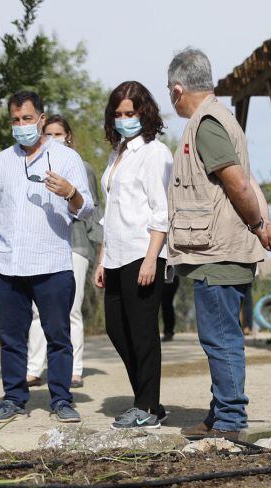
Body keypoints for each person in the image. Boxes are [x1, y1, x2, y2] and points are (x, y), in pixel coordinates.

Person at [165, 48, 271, 442]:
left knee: (221, 339)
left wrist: (258, 224)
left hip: (218, 252)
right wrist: (262, 225)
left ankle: (230, 422)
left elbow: (237, 182)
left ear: (178, 89)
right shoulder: (217, 118)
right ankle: (220, 411)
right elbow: (244, 181)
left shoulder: (206, 123)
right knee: (218, 337)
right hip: (214, 249)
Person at [0, 90, 94, 424]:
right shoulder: (1, 161)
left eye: (27, 119)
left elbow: (87, 208)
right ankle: (13, 398)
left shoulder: (65, 158)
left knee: (58, 336)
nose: (21, 125)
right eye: (15, 120)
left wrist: (70, 192)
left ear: (41, 120)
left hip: (53, 263)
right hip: (9, 263)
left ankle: (61, 399)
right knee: (12, 338)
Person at [93, 81, 172, 429]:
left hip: (143, 252)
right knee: (116, 328)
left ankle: (147, 407)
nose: (124, 119)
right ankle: (148, 399)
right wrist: (101, 259)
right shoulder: (117, 154)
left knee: (142, 331)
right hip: (115, 254)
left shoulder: (156, 153)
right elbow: (110, 213)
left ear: (144, 113)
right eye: (119, 113)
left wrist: (152, 258)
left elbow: (161, 210)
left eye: (131, 113)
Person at [26, 115, 101, 390]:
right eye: (49, 133)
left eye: (59, 134)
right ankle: (34, 368)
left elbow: (92, 210)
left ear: (68, 136)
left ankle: (74, 369)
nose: (54, 138)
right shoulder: (33, 167)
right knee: (37, 310)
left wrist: (99, 248)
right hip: (45, 245)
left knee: (71, 308)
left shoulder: (83, 167)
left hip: (77, 244)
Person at [160, 274, 178, 341]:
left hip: (171, 278)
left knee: (167, 304)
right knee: (166, 305)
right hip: (158, 277)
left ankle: (169, 332)